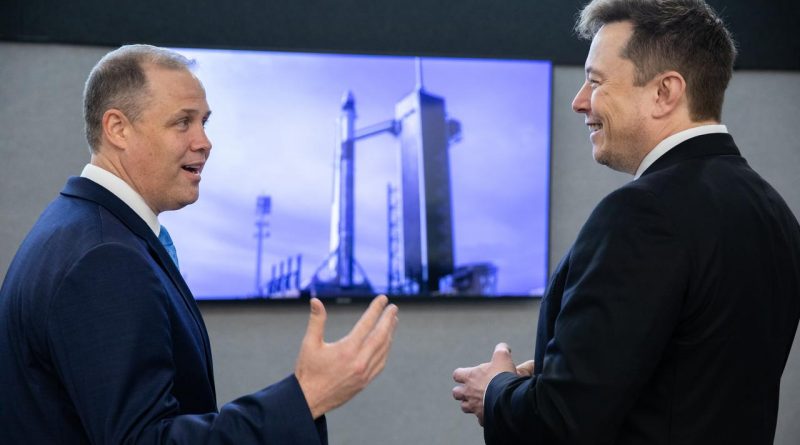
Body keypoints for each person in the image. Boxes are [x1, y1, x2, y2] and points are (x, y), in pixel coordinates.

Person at [0, 44, 398, 444]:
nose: (205, 142)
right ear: (118, 129)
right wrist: (305, 397)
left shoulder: (77, 226)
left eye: (204, 122)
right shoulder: (105, 257)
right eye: (182, 122)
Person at [452, 0, 800, 443]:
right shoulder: (773, 211)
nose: (579, 101)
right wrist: (575, 368)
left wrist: (496, 391)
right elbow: (695, 372)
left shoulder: (642, 213)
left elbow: (560, 424)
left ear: (665, 92)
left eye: (596, 81)